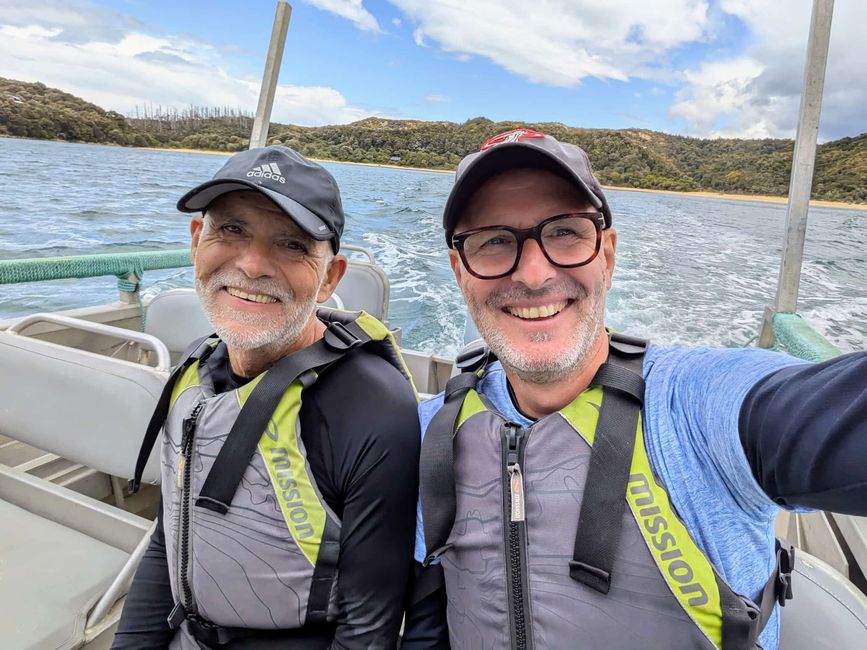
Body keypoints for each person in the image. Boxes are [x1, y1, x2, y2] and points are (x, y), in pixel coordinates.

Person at [401, 129, 867, 650]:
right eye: (493, 240)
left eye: (565, 233)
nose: (533, 274)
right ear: (458, 270)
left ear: (607, 253)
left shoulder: (694, 409)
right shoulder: (429, 434)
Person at [113, 146, 421, 649]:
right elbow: (166, 540)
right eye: (231, 230)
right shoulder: (195, 373)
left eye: (293, 244)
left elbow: (369, 627)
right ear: (196, 241)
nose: (253, 264)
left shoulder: (372, 409)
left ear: (331, 278)